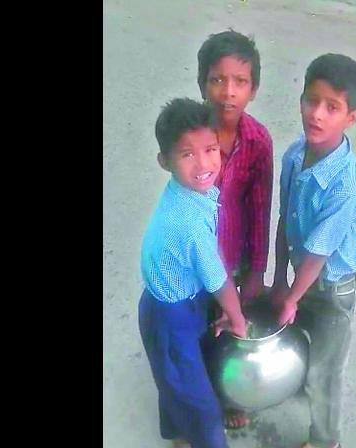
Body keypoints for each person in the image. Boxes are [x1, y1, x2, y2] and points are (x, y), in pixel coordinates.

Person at [270, 54, 356, 448]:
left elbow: (319, 254)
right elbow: (285, 218)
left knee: (324, 373)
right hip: (302, 273)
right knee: (296, 338)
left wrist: (292, 295)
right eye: (311, 100)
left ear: (352, 118)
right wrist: (280, 280)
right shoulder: (295, 155)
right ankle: (298, 382)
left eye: (332, 107)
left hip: (333, 287)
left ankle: (325, 438)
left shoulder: (349, 184)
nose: (317, 114)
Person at [139, 97, 246, 448]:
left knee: (175, 377)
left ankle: (176, 432)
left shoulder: (191, 194)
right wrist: (238, 318)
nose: (203, 164)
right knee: (197, 400)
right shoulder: (187, 222)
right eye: (187, 155)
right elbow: (217, 278)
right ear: (164, 161)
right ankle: (201, 438)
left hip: (180, 296)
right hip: (169, 314)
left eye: (210, 149)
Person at [196, 29, 273, 430]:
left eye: (239, 82)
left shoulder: (258, 141)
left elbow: (260, 208)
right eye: (218, 79)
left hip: (235, 257)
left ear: (253, 89)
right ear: (202, 83)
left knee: (231, 325)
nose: (228, 91)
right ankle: (195, 403)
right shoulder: (191, 136)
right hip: (195, 257)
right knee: (197, 330)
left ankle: (229, 398)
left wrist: (257, 270)